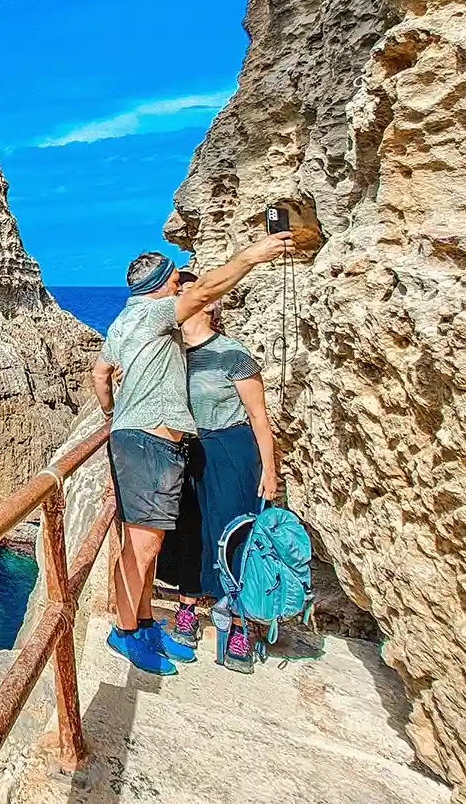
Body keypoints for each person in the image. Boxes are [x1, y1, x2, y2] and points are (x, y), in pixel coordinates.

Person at [91, 232, 291, 676]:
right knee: (141, 549)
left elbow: (100, 372)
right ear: (163, 286)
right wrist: (255, 254)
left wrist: (112, 413)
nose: (181, 286)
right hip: (146, 443)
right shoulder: (156, 313)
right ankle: (123, 633)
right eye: (176, 280)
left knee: (152, 542)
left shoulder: (126, 321)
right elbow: (206, 289)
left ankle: (143, 625)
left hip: (149, 442)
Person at [163, 270, 280, 674]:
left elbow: (259, 417)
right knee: (188, 530)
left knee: (236, 533)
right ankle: (187, 609)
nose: (182, 299)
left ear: (209, 304)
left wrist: (269, 468)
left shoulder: (234, 354)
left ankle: (240, 627)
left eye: (189, 293)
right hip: (188, 449)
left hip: (231, 449)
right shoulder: (173, 353)